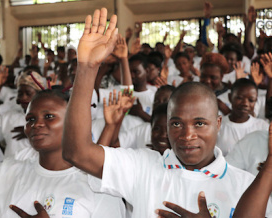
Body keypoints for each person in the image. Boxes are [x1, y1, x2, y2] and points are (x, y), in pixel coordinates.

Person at [62, 8, 269, 217]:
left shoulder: (245, 185)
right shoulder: (144, 168)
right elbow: (76, 152)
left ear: (218, 124)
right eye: (177, 124)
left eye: (199, 124)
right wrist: (87, 67)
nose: (187, 136)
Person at [0, 89, 126, 217]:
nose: (36, 124)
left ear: (73, 121)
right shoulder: (8, 171)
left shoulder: (100, 187)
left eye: (49, 116)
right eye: (30, 119)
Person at [217, 78, 269, 156]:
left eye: (251, 100)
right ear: (230, 97)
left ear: (256, 101)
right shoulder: (218, 126)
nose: (245, 103)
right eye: (239, 98)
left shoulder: (263, 127)